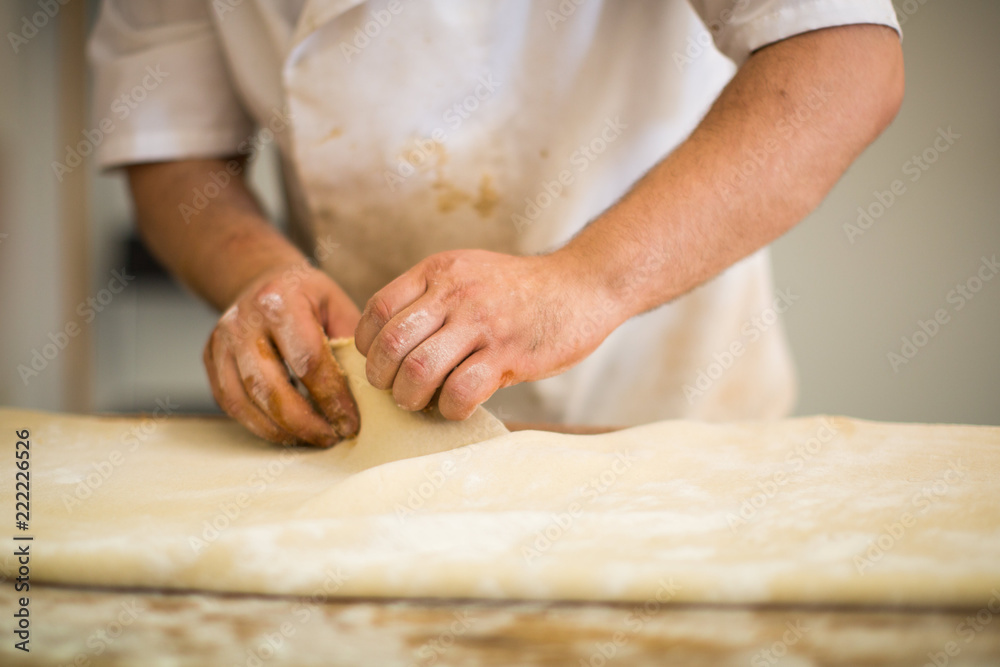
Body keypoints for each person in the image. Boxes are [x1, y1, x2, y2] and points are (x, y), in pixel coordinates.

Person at [89, 0, 904, 447]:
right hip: (380, 441)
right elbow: (172, 142)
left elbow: (844, 58)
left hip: (666, 407)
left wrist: (583, 280)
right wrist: (257, 276)